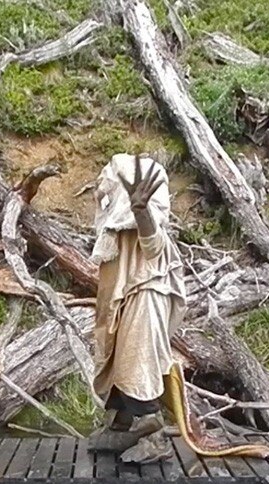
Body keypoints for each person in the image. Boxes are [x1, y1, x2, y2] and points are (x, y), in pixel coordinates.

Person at [88, 154, 187, 463]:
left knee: (136, 361)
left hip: (146, 292)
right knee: (118, 357)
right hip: (122, 296)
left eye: (108, 177)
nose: (102, 183)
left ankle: (154, 436)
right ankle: (122, 425)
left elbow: (153, 245)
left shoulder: (145, 222)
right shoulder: (114, 229)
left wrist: (140, 210)